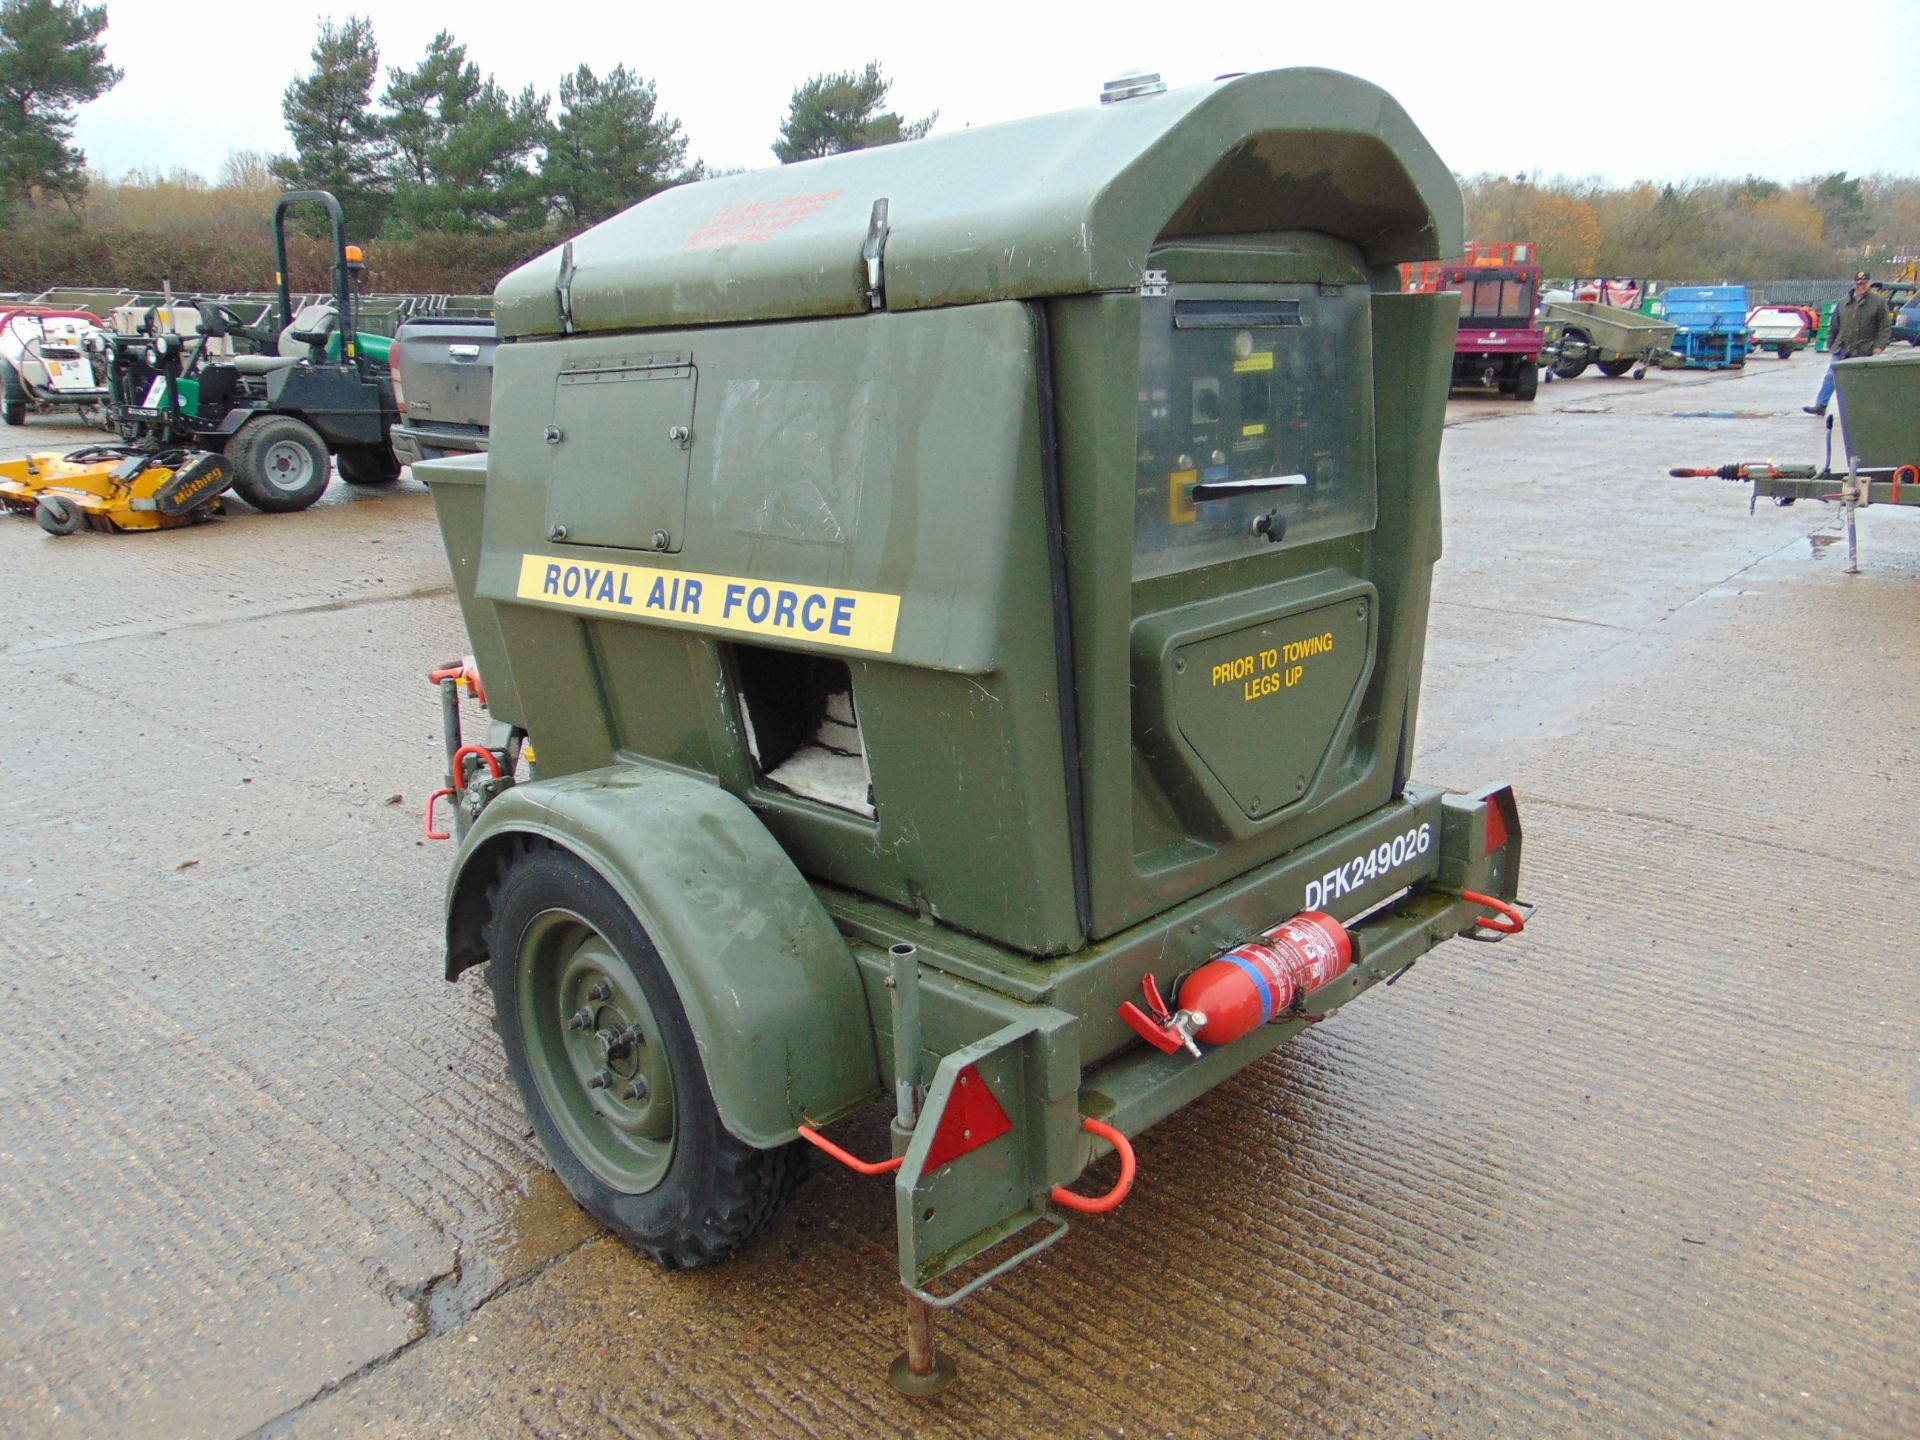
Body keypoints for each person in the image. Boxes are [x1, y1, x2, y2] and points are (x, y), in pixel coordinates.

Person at [1804, 271, 1892, 415]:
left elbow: (1884, 327)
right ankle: (1821, 405)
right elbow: (1834, 325)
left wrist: (1879, 346)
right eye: (1858, 284)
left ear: (1869, 284)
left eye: (1864, 284)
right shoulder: (1843, 302)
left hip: (1864, 349)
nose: (1861, 286)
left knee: (1863, 381)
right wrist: (1831, 344)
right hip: (1842, 348)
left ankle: (1863, 409)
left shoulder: (1878, 302)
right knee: (1831, 376)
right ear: (1854, 284)